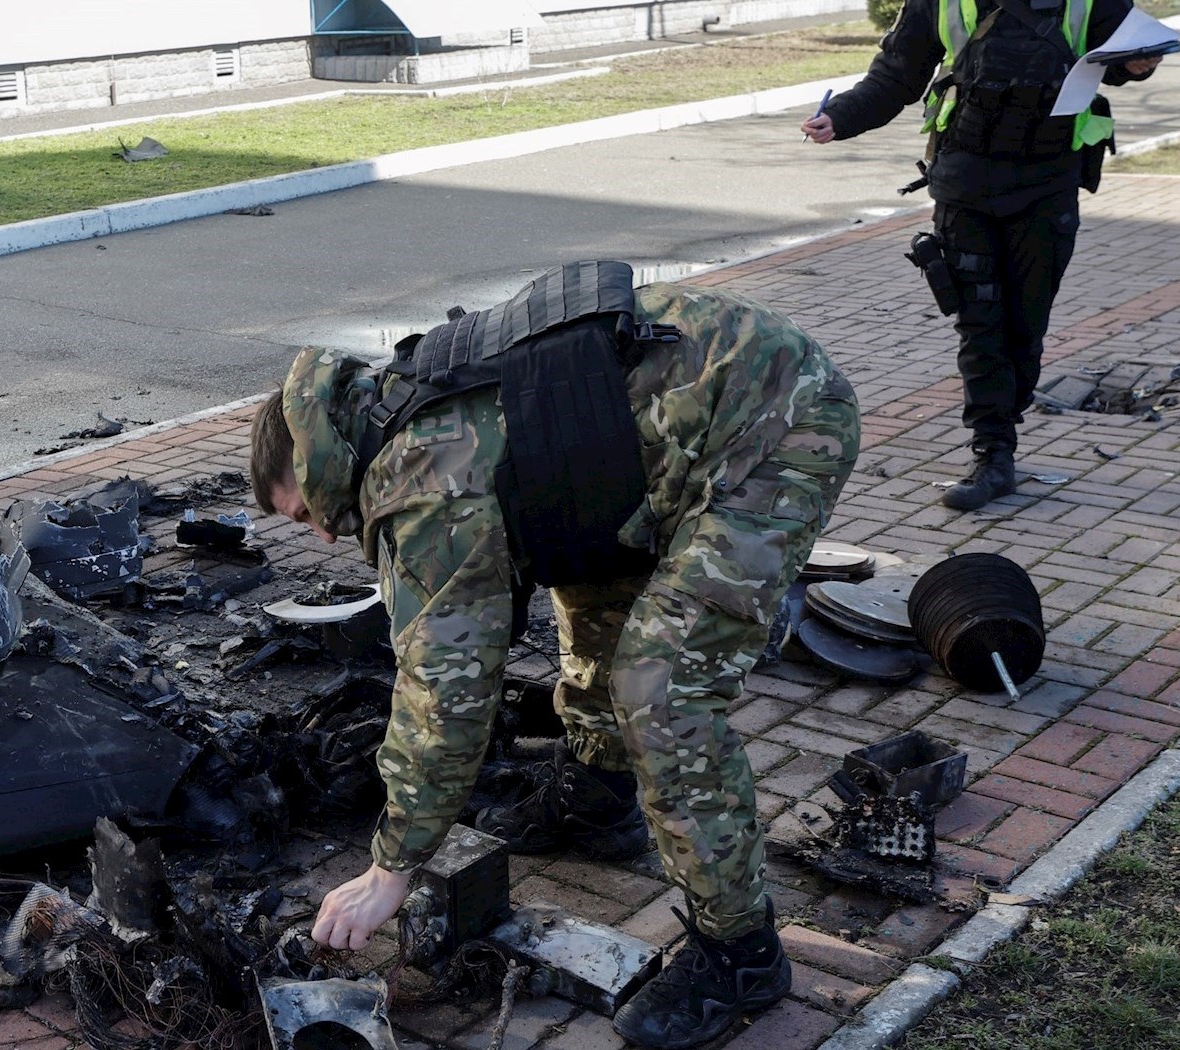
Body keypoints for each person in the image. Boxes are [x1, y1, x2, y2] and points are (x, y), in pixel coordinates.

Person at [250, 263, 861, 1049]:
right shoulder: (389, 407)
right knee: (587, 584)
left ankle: (740, 952)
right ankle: (600, 803)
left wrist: (390, 869)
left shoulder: (423, 483)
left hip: (773, 424)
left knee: (660, 688)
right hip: (674, 437)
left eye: (302, 514)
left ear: (307, 460)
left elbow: (446, 693)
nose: (323, 533)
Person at [801, 0, 1162, 511]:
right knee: (979, 320)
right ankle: (993, 453)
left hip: (1047, 183)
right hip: (965, 181)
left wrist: (1138, 64)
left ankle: (1002, 432)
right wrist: (839, 116)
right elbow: (897, 76)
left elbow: (1122, 57)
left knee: (1024, 324)